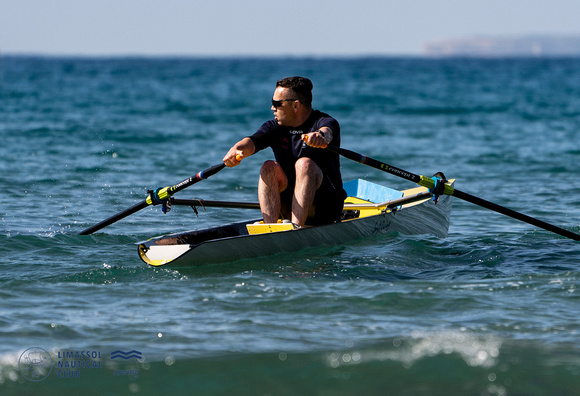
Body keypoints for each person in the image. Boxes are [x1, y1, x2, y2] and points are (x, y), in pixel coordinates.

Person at [223, 76, 346, 227]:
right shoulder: (275, 127)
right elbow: (253, 141)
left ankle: (295, 229)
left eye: (277, 103)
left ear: (296, 105)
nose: (272, 108)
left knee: (304, 164)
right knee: (269, 167)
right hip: (288, 206)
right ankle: (271, 228)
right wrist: (237, 149)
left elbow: (327, 132)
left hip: (325, 208)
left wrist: (320, 136)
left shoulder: (323, 122)